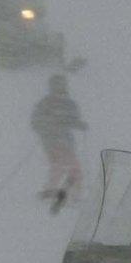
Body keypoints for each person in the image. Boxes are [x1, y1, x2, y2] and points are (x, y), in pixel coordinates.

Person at [30, 73, 87, 209]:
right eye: (56, 85)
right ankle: (69, 194)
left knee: (61, 167)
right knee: (67, 166)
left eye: (61, 85)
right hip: (52, 140)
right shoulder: (46, 103)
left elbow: (73, 119)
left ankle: (56, 192)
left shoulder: (68, 103)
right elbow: (36, 122)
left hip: (65, 141)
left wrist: (79, 124)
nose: (59, 88)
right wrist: (49, 126)